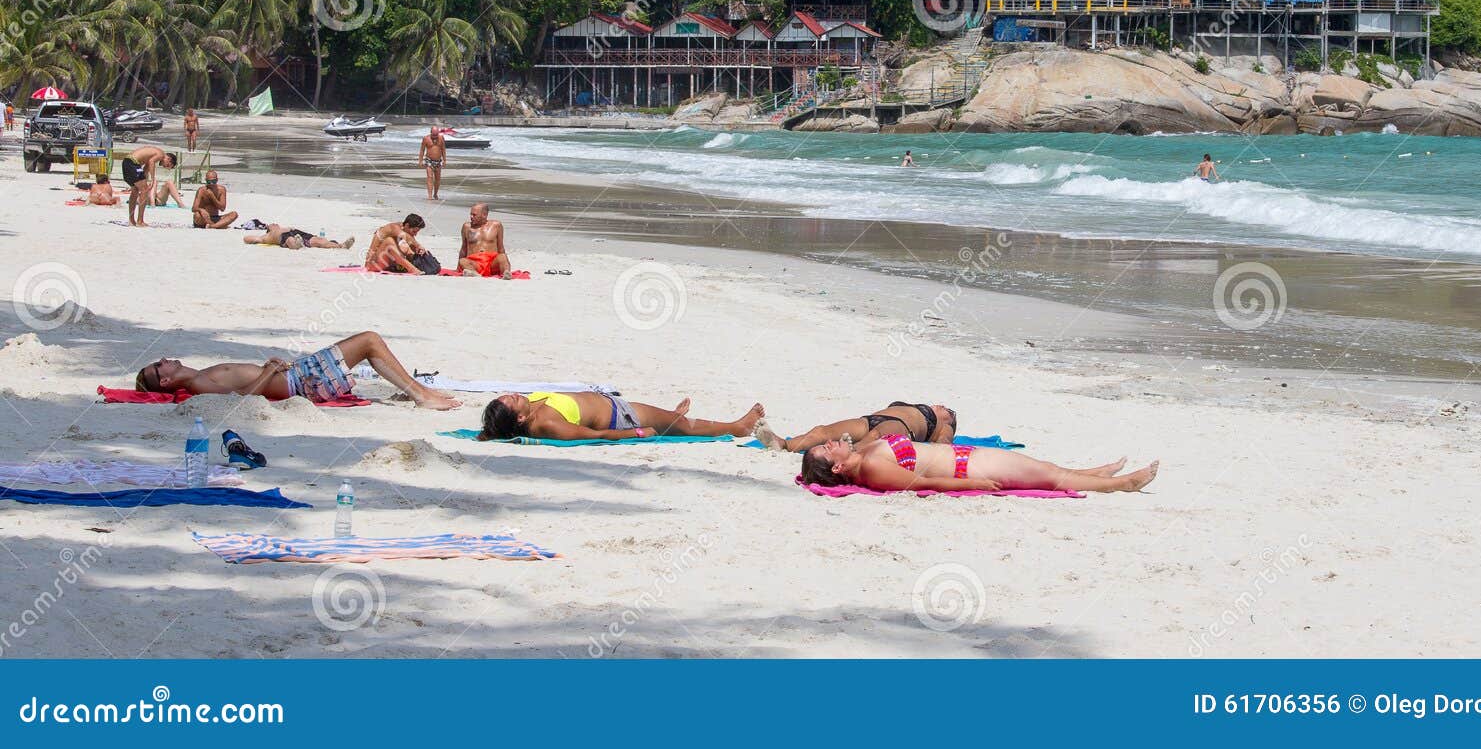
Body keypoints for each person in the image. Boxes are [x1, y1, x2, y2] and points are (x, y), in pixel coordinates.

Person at [133, 330, 460, 410]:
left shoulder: (199, 376)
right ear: (164, 379)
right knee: (370, 341)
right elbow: (243, 400)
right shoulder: (199, 385)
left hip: (297, 375)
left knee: (369, 342)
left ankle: (421, 391)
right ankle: (420, 394)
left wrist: (268, 369)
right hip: (300, 382)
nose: (166, 358)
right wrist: (269, 370)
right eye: (160, 364)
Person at [800, 437, 1159, 494]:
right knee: (1050, 478)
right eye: (827, 450)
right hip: (968, 469)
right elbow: (921, 483)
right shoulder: (873, 470)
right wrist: (972, 486)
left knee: (1045, 467)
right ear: (836, 469)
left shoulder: (862, 452)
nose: (832, 443)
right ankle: (1121, 485)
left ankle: (1096, 473)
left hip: (966, 455)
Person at [478, 391, 765, 443]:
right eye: (512, 400)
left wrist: (489, 431)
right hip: (621, 418)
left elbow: (493, 429)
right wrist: (634, 434)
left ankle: (670, 418)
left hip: (614, 406)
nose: (515, 394)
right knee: (685, 427)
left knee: (673, 421)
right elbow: (594, 436)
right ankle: (738, 427)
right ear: (518, 419)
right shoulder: (547, 424)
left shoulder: (531, 407)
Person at [755, 400, 956, 452]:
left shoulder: (943, 427)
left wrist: (944, 437)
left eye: (949, 412)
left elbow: (944, 447)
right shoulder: (915, 407)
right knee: (821, 431)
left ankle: (852, 452)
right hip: (869, 420)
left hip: (901, 427)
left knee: (876, 436)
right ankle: (783, 444)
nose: (944, 407)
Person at [121, 145, 176, 227]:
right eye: (167, 165)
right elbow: (151, 162)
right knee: (144, 191)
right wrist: (153, 179)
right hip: (133, 163)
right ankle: (140, 221)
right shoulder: (161, 154)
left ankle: (131, 220)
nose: (164, 166)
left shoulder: (152, 154)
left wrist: (145, 181)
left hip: (127, 162)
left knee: (135, 191)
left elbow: (145, 170)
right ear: (169, 159)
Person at [457, 202, 511, 276]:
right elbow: (464, 248)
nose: (471, 217)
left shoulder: (496, 225)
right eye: (471, 214)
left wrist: (506, 264)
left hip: (492, 262)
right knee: (463, 261)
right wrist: (458, 267)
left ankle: (506, 273)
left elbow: (501, 248)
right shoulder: (467, 227)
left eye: (474, 215)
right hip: (475, 263)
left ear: (484, 215)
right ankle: (474, 273)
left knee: (502, 257)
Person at [243, 223, 354, 250]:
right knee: (290, 240)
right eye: (272, 224)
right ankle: (296, 245)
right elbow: (246, 239)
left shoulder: (284, 227)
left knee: (319, 240)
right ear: (269, 228)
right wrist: (258, 239)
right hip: (284, 237)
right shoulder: (266, 236)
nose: (274, 223)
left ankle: (341, 246)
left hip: (298, 233)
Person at [418, 128, 447, 200]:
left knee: (437, 179)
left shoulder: (441, 138)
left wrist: (444, 160)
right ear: (431, 133)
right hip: (429, 160)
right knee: (430, 177)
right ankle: (430, 195)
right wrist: (420, 161)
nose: (435, 136)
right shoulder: (426, 138)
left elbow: (443, 149)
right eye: (433, 135)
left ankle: (435, 194)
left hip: (438, 161)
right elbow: (422, 150)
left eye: (436, 134)